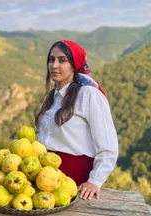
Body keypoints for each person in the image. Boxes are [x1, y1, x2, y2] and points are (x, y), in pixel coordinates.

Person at [35, 40, 118, 201]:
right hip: (44, 177)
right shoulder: (51, 97)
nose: (54, 65)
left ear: (74, 65)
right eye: (51, 59)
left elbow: (108, 145)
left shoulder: (88, 95)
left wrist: (94, 181)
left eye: (62, 60)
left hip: (74, 180)